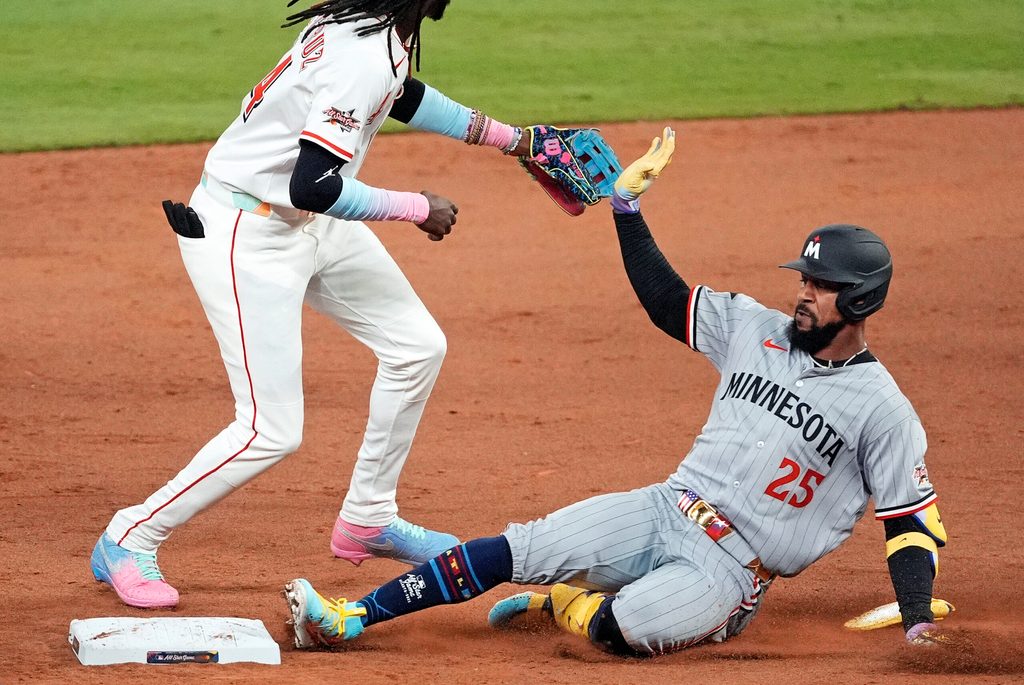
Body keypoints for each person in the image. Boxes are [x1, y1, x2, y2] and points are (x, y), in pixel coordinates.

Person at [282, 128, 949, 654]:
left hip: (730, 573)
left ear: (859, 298)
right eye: (804, 279)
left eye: (821, 285)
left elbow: (909, 523)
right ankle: (348, 617)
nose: (804, 292)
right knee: (517, 547)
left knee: (619, 632)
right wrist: (626, 210)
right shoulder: (756, 326)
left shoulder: (883, 410)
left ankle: (564, 602)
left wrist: (918, 620)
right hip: (666, 505)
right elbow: (668, 303)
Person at [90, 0, 537, 609]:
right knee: (269, 430)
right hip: (246, 234)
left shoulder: (376, 25)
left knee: (417, 347)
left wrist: (516, 141)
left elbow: (399, 96)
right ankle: (129, 537)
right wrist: (416, 208)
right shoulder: (360, 51)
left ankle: (369, 519)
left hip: (309, 222)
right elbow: (314, 184)